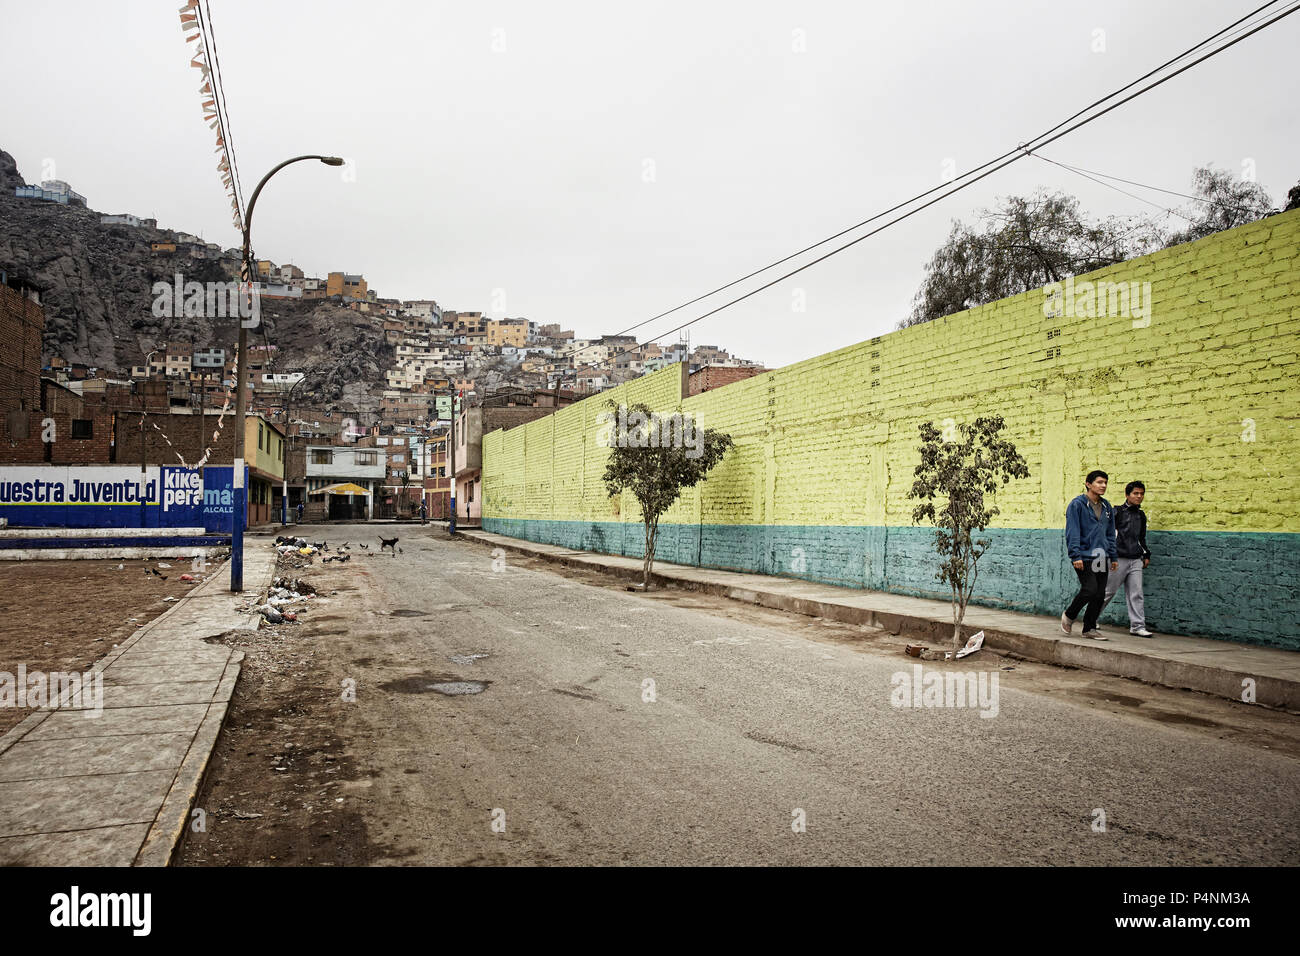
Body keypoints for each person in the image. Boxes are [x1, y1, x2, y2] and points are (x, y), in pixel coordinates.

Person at [1061, 470, 1118, 640]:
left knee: (1100, 594)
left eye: (1105, 482)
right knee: (1090, 589)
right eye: (1099, 482)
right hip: (1084, 555)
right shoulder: (1077, 504)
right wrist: (1075, 555)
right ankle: (1070, 615)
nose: (1103, 486)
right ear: (1088, 484)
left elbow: (1110, 533)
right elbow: (1072, 531)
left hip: (1102, 555)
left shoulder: (1107, 506)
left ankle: (1089, 628)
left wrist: (1113, 556)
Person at [1102, 481, 1153, 637]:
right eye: (1135, 493)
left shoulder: (1141, 515)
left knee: (1136, 593)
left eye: (1141, 493)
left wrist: (1146, 554)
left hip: (1135, 559)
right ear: (1127, 495)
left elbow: (1141, 538)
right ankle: (1091, 619)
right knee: (1107, 592)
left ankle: (1137, 626)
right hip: (1118, 558)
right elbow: (1106, 533)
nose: (1139, 496)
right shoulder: (1117, 512)